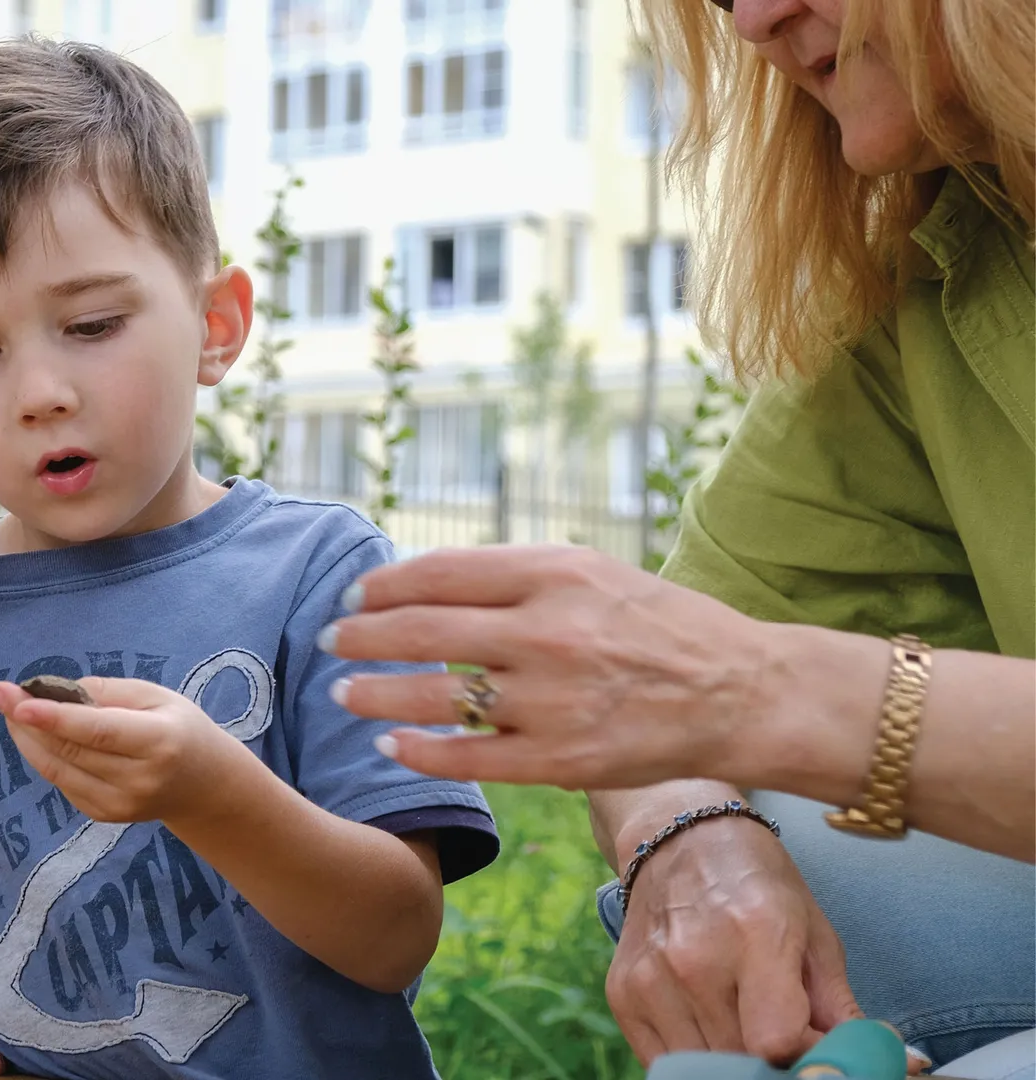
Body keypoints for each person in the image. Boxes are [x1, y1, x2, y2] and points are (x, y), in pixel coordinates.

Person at [324, 0, 1034, 1073]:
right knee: (775, 837)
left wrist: (773, 694)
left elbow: (723, 678)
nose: (752, 19)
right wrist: (689, 833)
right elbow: (670, 685)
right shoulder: (947, 262)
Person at [0, 38, 499, 1080]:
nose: (40, 393)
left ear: (216, 326)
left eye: (91, 324)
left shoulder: (324, 577)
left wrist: (214, 793)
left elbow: (395, 935)